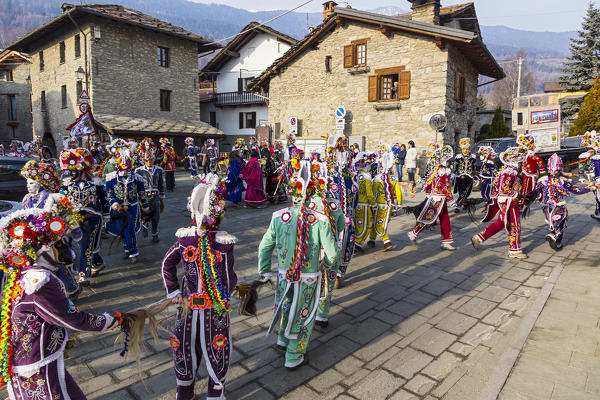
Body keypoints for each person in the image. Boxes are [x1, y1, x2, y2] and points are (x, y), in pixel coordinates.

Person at [0, 206, 122, 399]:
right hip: (36, 366)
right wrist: (108, 321)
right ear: (43, 250)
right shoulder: (38, 283)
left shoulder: (23, 274)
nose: (66, 252)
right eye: (57, 245)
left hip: (36, 357)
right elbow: (69, 318)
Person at [258, 160, 340, 369]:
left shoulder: (279, 217)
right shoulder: (319, 219)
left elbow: (265, 246)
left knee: (286, 306)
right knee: (303, 314)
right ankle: (294, 356)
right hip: (309, 277)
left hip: (286, 275)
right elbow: (332, 253)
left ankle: (282, 340)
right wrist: (326, 265)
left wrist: (265, 270)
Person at [162, 174, 237, 400]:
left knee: (186, 350)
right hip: (213, 309)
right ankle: (213, 394)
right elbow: (228, 277)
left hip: (188, 309)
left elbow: (167, 264)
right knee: (215, 350)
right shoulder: (222, 243)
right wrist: (228, 293)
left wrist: (175, 291)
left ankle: (185, 394)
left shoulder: (186, 240)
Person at [59, 148, 110, 285]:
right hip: (73, 220)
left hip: (92, 219)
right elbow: (61, 201)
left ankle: (83, 276)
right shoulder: (66, 184)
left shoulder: (95, 182)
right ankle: (97, 262)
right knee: (84, 246)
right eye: (70, 169)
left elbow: (104, 199)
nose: (71, 172)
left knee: (84, 246)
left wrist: (106, 214)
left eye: (74, 169)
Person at [471, 147, 528, 259]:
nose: (521, 164)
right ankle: (514, 249)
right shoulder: (510, 172)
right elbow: (504, 188)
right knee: (514, 224)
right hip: (509, 201)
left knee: (500, 223)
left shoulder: (508, 170)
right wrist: (517, 195)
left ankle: (478, 238)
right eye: (520, 161)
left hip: (506, 200)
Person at [537, 154, 593, 250]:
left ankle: (557, 241)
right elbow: (576, 190)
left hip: (546, 207)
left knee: (555, 222)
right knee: (562, 222)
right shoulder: (563, 182)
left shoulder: (542, 180)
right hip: (559, 206)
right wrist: (590, 189)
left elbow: (537, 193)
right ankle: (553, 235)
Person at [105, 148, 150, 263]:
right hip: (118, 208)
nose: (126, 170)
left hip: (132, 207)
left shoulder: (136, 177)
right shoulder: (111, 178)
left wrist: (145, 205)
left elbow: (142, 192)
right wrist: (113, 203)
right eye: (123, 167)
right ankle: (126, 248)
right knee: (122, 229)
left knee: (129, 229)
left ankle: (133, 252)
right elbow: (108, 193)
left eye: (128, 167)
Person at [408, 145, 456, 251]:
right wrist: (451, 200)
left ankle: (446, 241)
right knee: (429, 218)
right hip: (437, 199)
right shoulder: (442, 171)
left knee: (444, 219)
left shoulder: (440, 170)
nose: (449, 162)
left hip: (440, 199)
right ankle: (414, 232)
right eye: (448, 160)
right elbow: (445, 187)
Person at [369, 145, 403, 251]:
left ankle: (386, 241)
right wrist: (398, 205)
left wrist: (372, 204)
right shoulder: (393, 178)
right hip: (389, 205)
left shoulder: (377, 178)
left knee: (378, 222)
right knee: (380, 222)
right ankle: (372, 239)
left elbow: (373, 192)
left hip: (380, 204)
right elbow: (399, 193)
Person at [136, 138, 165, 243]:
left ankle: (154, 233)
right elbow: (137, 186)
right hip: (144, 197)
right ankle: (144, 226)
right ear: (144, 160)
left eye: (151, 159)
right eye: (147, 160)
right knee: (143, 214)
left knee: (155, 216)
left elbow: (161, 185)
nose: (149, 162)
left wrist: (162, 198)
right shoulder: (138, 171)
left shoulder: (159, 170)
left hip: (155, 197)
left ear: (154, 159)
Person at [353, 152, 376, 253]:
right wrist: (374, 204)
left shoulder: (357, 175)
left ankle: (356, 242)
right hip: (365, 205)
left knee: (359, 224)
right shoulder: (366, 176)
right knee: (366, 225)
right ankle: (357, 243)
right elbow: (369, 192)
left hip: (358, 204)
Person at [453, 138, 477, 208]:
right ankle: (463, 203)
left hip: (469, 177)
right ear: (461, 150)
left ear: (469, 149)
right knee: (461, 191)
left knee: (466, 191)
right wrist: (455, 173)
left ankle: (459, 204)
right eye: (463, 149)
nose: (465, 151)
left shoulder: (473, 157)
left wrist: (474, 173)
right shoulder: (458, 157)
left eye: (467, 149)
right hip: (460, 176)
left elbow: (474, 166)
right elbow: (455, 166)